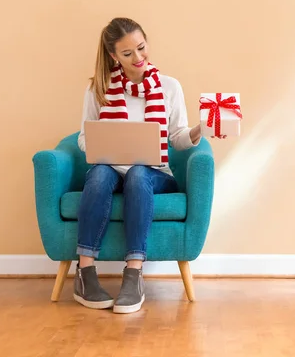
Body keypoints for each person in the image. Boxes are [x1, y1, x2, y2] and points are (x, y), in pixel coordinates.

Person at [74, 17, 223, 314]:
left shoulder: (169, 87)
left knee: (139, 173)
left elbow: (178, 138)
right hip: (112, 168)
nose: (138, 58)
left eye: (142, 48)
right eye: (128, 54)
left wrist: (200, 129)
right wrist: (101, 144)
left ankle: (134, 273)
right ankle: (85, 273)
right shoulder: (99, 89)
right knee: (100, 174)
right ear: (114, 56)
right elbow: (82, 139)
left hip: (153, 174)